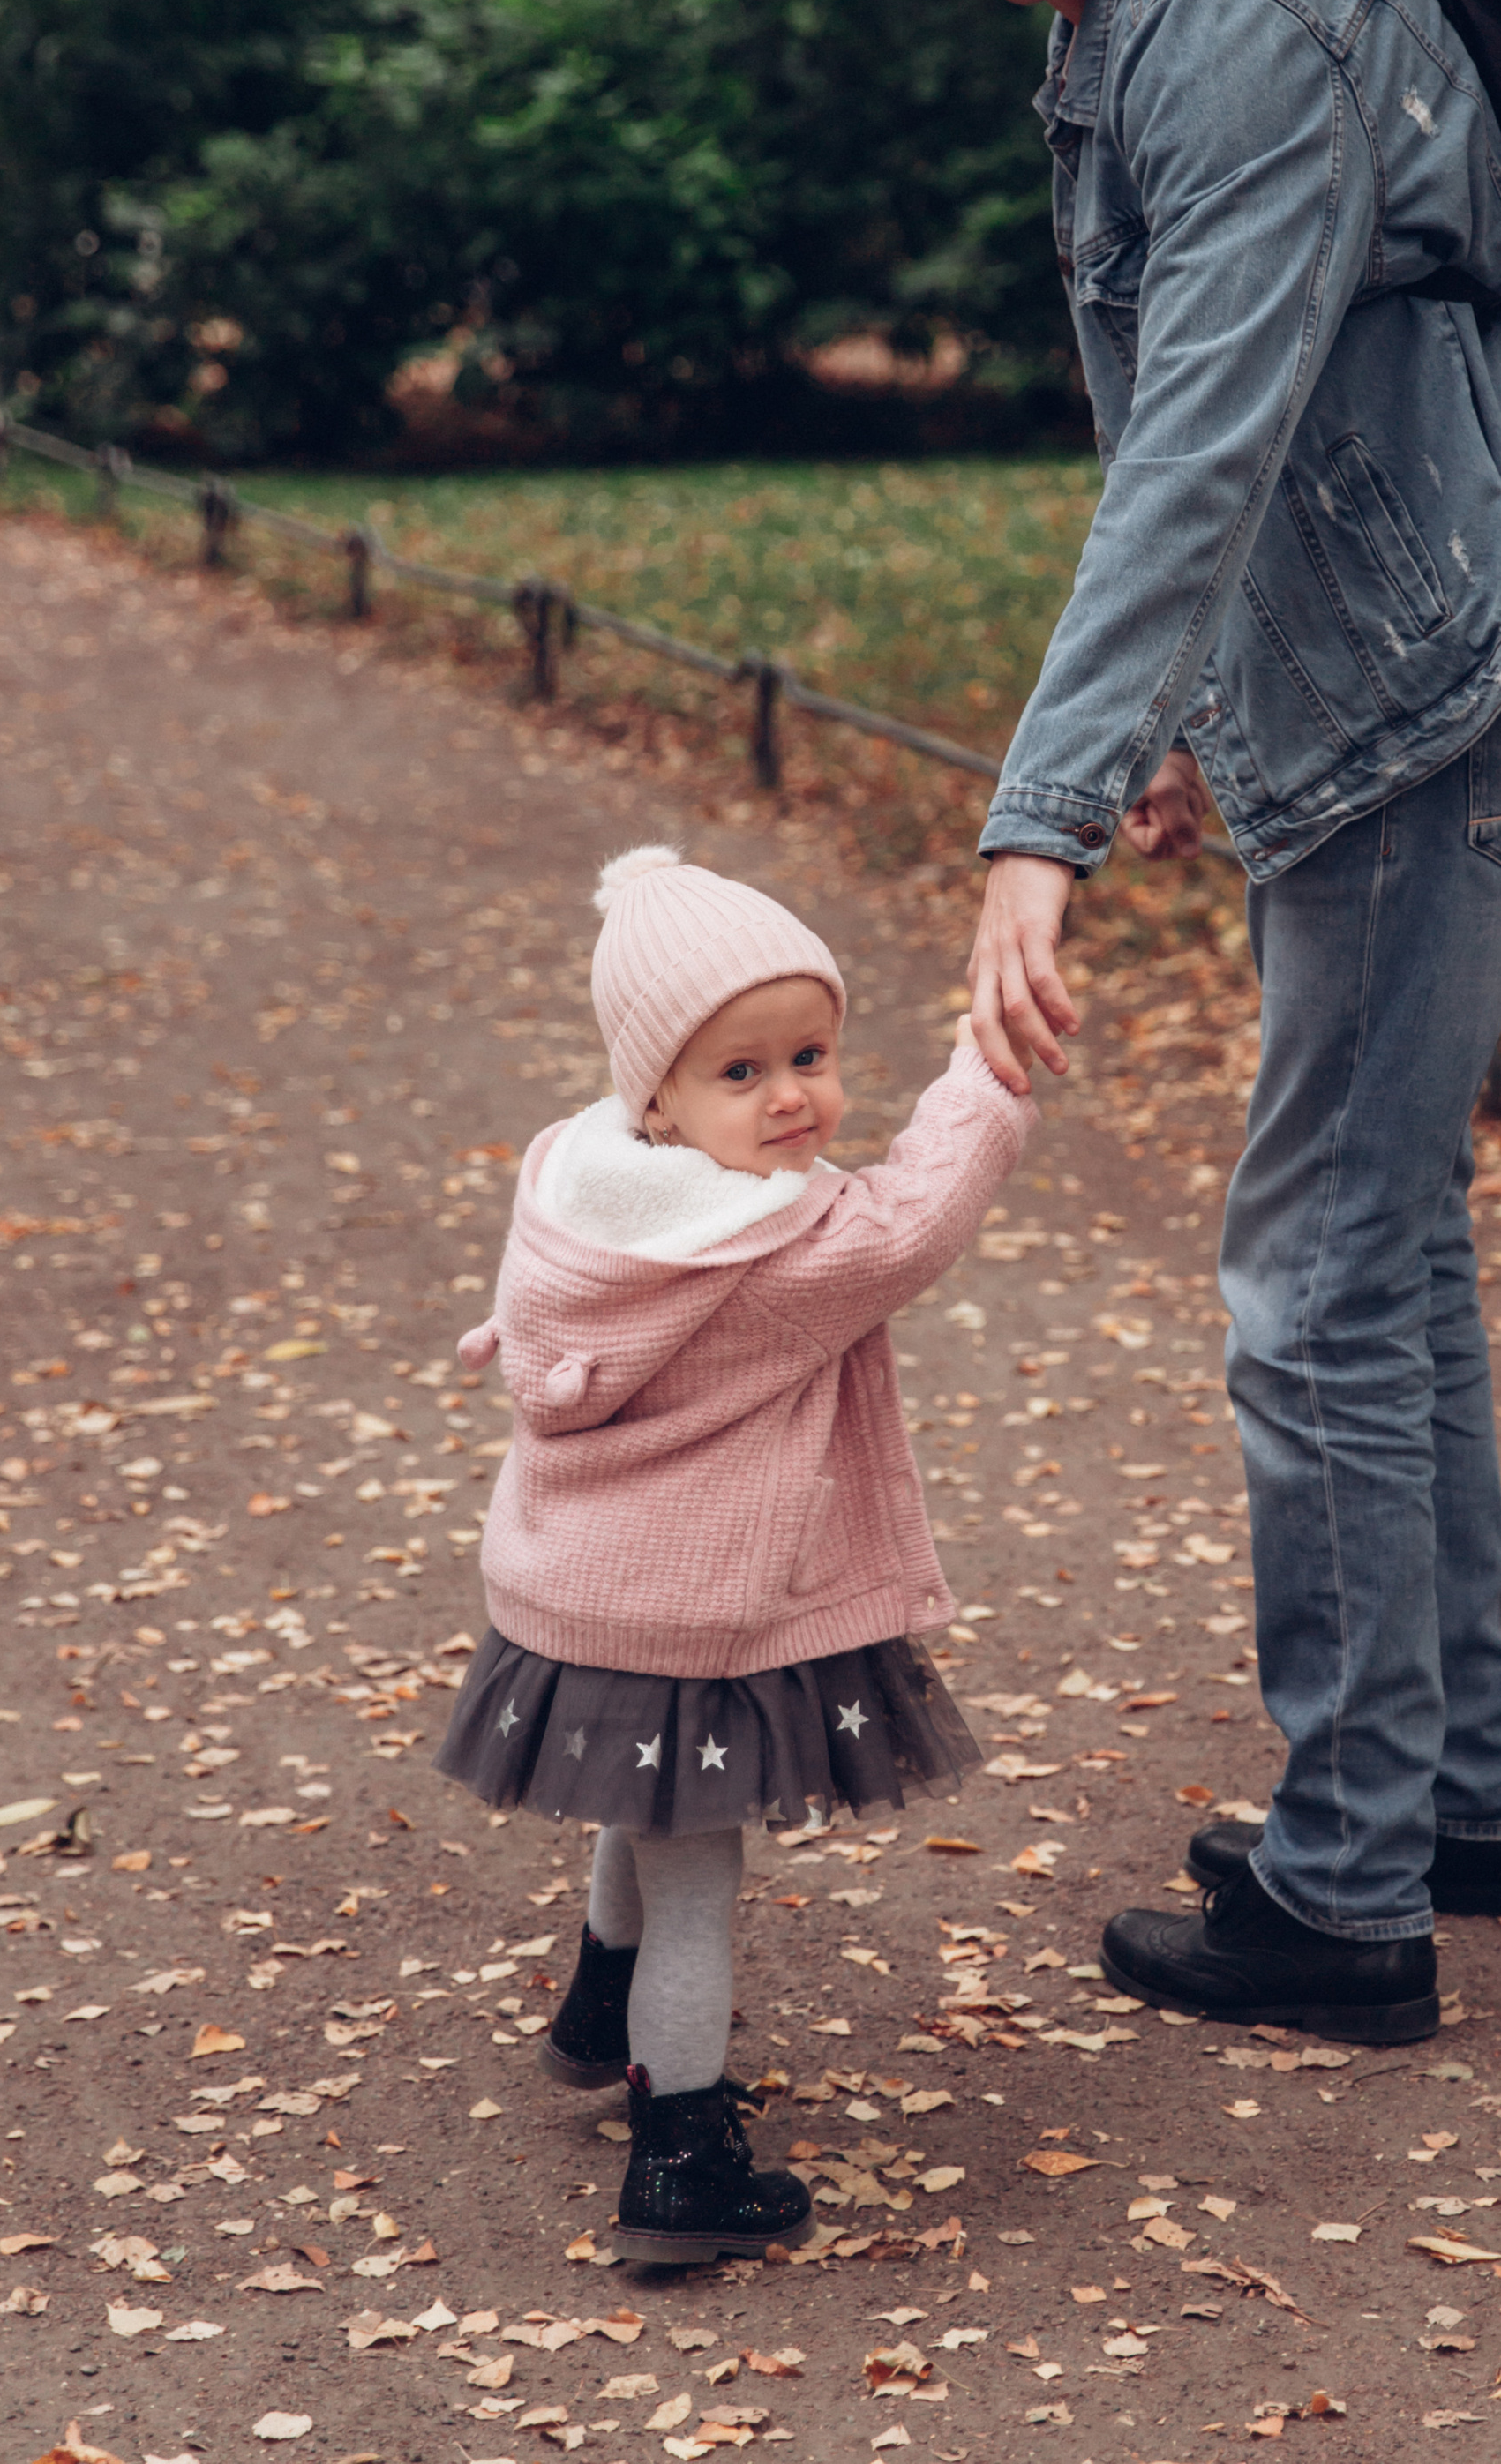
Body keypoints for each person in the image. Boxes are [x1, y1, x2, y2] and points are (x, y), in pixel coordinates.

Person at [829, 0, 1501, 2048]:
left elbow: (1200, 438)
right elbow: (1262, 418)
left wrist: (1048, 824)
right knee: (1378, 1242)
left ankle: (1346, 1892)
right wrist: (1211, 712)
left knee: (1308, 1271)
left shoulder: (1238, 14)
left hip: (1465, 668)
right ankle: (1451, 1803)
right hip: (1411, 655)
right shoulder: (1131, 24)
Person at [434, 843, 1036, 2258]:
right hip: (694, 1614)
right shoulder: (772, 1250)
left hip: (575, 1596)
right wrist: (991, 1065)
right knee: (699, 1875)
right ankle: (681, 2160)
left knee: (632, 1810)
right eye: (743, 1073)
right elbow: (916, 1218)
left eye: (812, 1055)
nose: (792, 1100)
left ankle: (600, 2008)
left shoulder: (583, 1191)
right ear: (657, 1092)